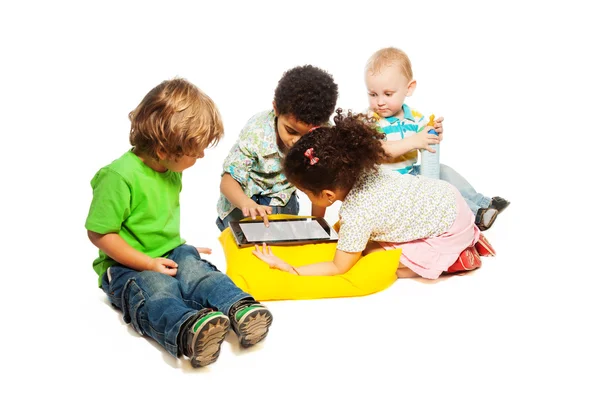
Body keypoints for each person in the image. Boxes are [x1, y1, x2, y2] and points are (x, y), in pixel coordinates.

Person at [85, 78, 273, 368]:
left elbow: (154, 221)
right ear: (163, 149)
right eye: (194, 150)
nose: (200, 155)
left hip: (170, 251)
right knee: (157, 290)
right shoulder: (118, 176)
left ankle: (240, 308)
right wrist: (148, 263)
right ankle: (188, 330)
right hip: (124, 266)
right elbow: (99, 233)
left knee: (199, 272)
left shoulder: (170, 168)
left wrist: (176, 247)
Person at [252, 110, 496, 280]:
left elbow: (338, 267)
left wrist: (291, 269)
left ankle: (457, 256)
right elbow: (321, 202)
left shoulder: (357, 216)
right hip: (450, 198)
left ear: (327, 194)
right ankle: (466, 238)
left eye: (305, 193)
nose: (306, 197)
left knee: (376, 257)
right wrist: (317, 222)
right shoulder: (364, 167)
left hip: (450, 228)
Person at [364, 47, 510, 231]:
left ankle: (485, 202)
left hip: (411, 174)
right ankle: (476, 214)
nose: (380, 101)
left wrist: (434, 133)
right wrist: (415, 140)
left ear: (408, 88)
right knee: (439, 191)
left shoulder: (414, 118)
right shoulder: (368, 120)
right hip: (389, 184)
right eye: (373, 94)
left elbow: (427, 142)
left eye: (388, 94)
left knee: (444, 172)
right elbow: (380, 150)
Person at [216, 65, 339, 231]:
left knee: (280, 241)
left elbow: (319, 184)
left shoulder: (322, 135)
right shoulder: (256, 131)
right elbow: (227, 182)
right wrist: (246, 203)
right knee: (243, 236)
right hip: (244, 195)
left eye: (306, 135)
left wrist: (317, 224)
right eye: (291, 131)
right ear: (276, 109)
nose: (297, 141)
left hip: (280, 197)